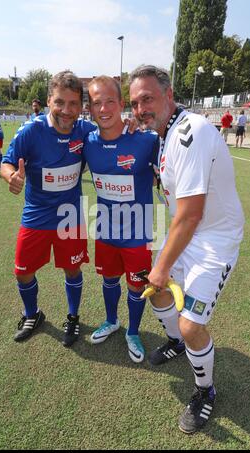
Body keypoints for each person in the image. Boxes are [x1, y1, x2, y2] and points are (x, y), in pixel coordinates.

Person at [129, 65, 244, 433]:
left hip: (214, 240)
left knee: (191, 322)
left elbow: (192, 213)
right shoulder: (165, 132)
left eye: (147, 98)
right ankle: (177, 343)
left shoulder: (191, 130)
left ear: (169, 94)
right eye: (135, 103)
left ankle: (206, 391)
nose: (140, 108)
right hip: (187, 231)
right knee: (157, 295)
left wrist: (162, 265)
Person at [0, 70, 96, 346]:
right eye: (60, 103)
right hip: (37, 214)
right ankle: (32, 314)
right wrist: (11, 177)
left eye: (73, 104)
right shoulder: (31, 131)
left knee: (73, 269)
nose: (66, 111)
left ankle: (73, 318)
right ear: (48, 101)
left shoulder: (85, 130)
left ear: (81, 106)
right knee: (22, 270)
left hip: (71, 217)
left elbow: (113, 134)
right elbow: (7, 162)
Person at [83, 76, 159, 363]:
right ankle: (112, 320)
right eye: (96, 103)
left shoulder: (146, 140)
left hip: (138, 232)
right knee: (109, 279)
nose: (103, 109)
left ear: (121, 104)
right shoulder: (86, 140)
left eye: (110, 101)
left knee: (136, 285)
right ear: (90, 108)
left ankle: (134, 331)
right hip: (105, 230)